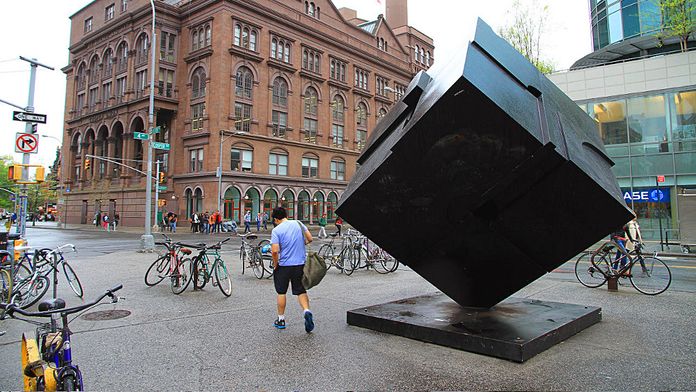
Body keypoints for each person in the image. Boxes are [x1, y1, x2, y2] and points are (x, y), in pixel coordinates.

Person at [270, 206, 314, 332]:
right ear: (286, 215)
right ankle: (306, 310)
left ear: (276, 219)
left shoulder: (277, 230)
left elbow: (274, 251)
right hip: (300, 264)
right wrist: (301, 244)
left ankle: (281, 319)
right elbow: (310, 238)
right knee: (300, 290)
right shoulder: (298, 223)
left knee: (281, 292)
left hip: (284, 265)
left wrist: (275, 264)